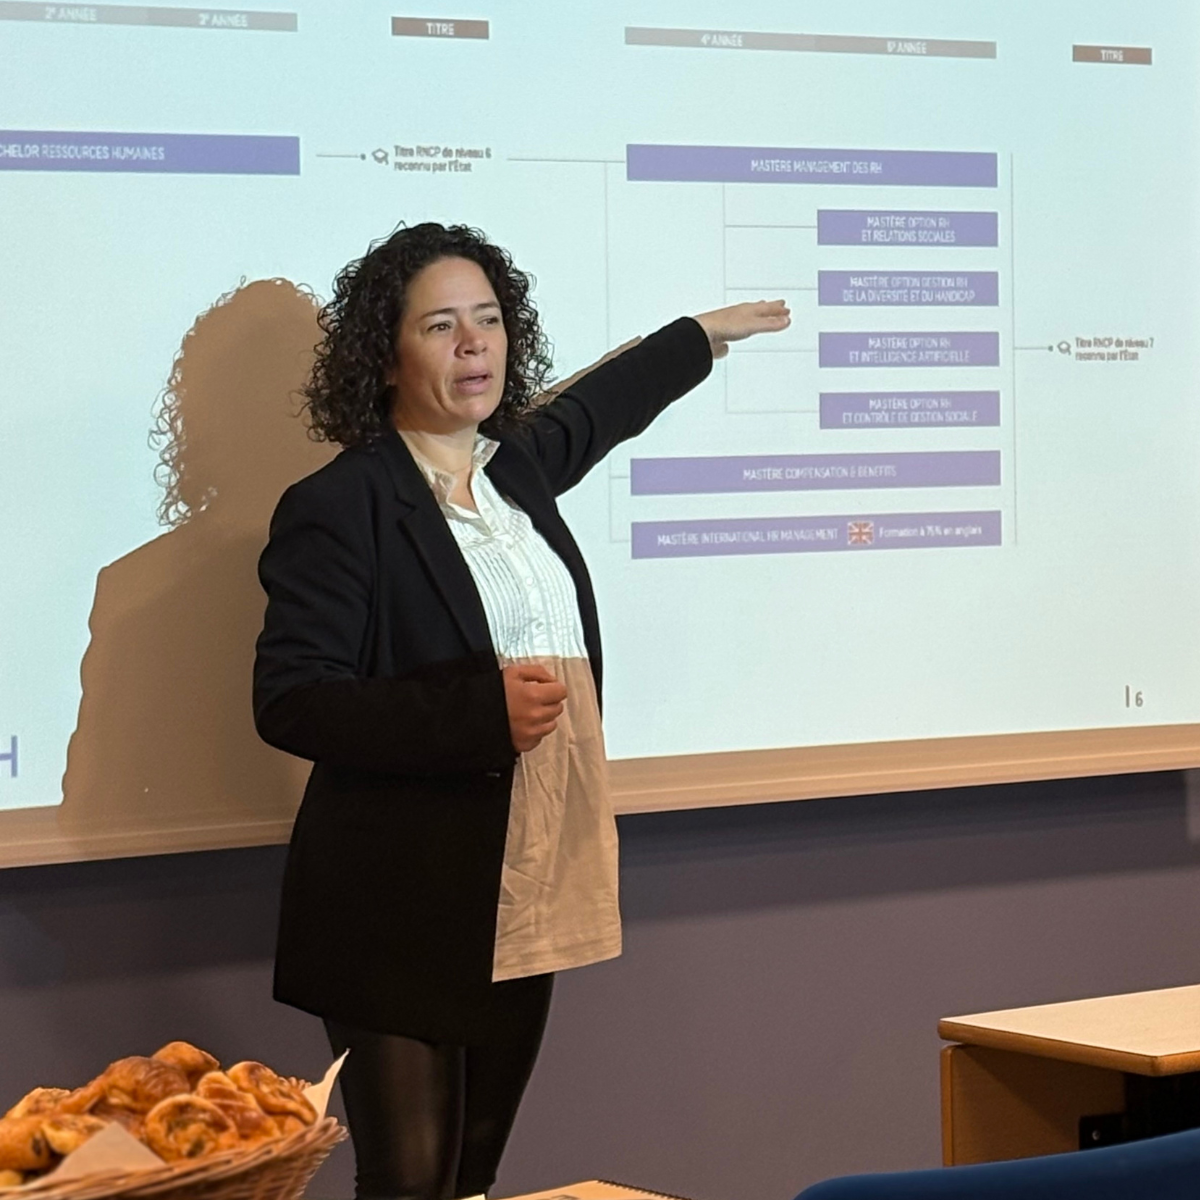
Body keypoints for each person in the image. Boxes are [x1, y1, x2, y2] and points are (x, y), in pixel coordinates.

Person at [253, 222, 789, 1200]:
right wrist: (474, 712)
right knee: (410, 1182)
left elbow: (601, 407)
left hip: (526, 878)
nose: (474, 346)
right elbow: (293, 701)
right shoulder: (341, 505)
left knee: (471, 1178)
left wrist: (700, 336)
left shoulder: (515, 468)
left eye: (490, 322)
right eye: (442, 325)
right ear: (385, 353)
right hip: (399, 900)